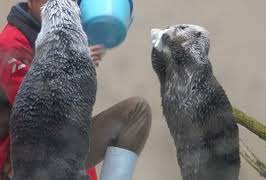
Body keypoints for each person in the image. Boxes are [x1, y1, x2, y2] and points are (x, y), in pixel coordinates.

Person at [0, 0, 152, 179]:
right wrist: (72, 60)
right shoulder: (10, 44)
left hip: (66, 145)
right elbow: (35, 107)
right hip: (26, 158)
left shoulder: (70, 32)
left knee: (136, 112)